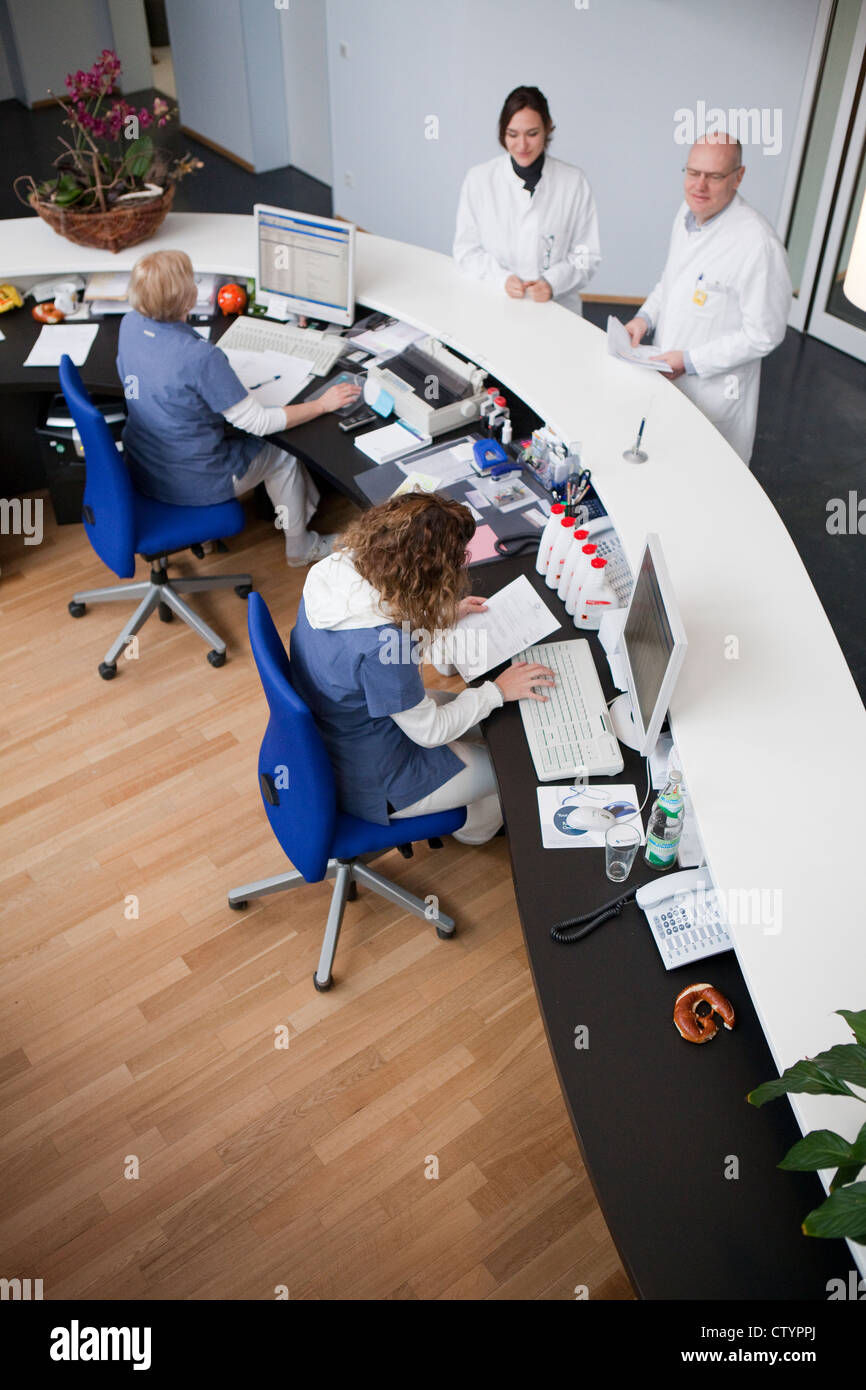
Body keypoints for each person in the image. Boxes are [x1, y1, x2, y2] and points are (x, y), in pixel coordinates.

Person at [289, 493, 555, 844]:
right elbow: (430, 731)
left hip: (339, 730)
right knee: (511, 763)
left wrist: (436, 616)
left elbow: (378, 617)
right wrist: (498, 690)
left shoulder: (332, 571)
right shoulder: (385, 647)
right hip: (375, 776)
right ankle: (475, 831)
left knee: (495, 724)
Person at [116, 250, 360, 565]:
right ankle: (300, 548)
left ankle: (297, 513)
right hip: (192, 480)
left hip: (144, 465)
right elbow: (259, 423)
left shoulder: (130, 324)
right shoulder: (200, 358)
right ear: (188, 298)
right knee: (285, 454)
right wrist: (322, 404)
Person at [624, 133, 792, 464]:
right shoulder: (687, 213)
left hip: (715, 396)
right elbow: (671, 281)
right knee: (664, 466)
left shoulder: (759, 245)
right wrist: (644, 318)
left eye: (714, 176)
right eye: (693, 172)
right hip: (667, 374)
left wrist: (690, 361)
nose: (699, 186)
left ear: (738, 177)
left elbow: (764, 334)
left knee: (706, 476)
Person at [453, 85, 601, 314]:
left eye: (532, 134)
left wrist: (553, 283)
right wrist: (501, 279)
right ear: (502, 132)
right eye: (513, 134)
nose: (522, 145)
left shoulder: (574, 182)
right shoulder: (478, 180)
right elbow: (466, 252)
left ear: (547, 129)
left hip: (556, 308)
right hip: (495, 304)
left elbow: (586, 255)